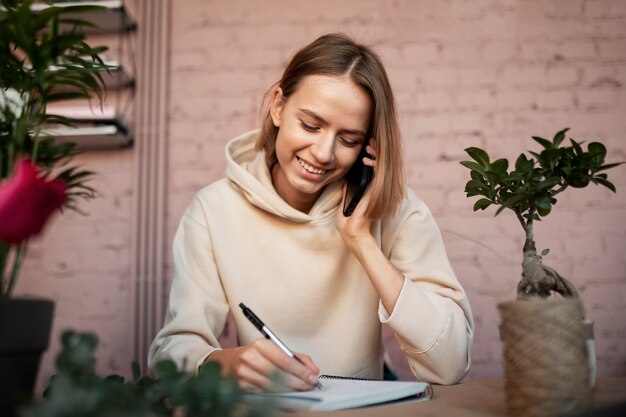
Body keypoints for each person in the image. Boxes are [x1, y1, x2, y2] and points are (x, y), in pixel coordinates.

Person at [148, 33, 474, 392]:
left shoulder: (395, 210)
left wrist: (361, 240)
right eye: (310, 125)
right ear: (277, 106)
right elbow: (170, 356)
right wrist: (229, 365)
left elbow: (450, 364)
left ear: (367, 145)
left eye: (348, 140)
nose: (323, 153)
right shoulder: (213, 210)